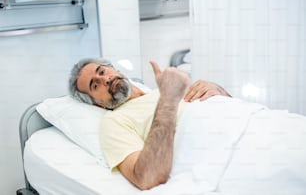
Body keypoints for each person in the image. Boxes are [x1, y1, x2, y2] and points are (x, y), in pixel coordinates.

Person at [69, 58, 231, 190]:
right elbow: (145, 178)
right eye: (95, 85)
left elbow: (228, 106)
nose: (105, 79)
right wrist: (167, 99)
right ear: (98, 105)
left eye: (102, 72)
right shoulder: (113, 121)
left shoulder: (161, 90)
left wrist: (218, 92)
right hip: (222, 153)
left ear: (115, 70)